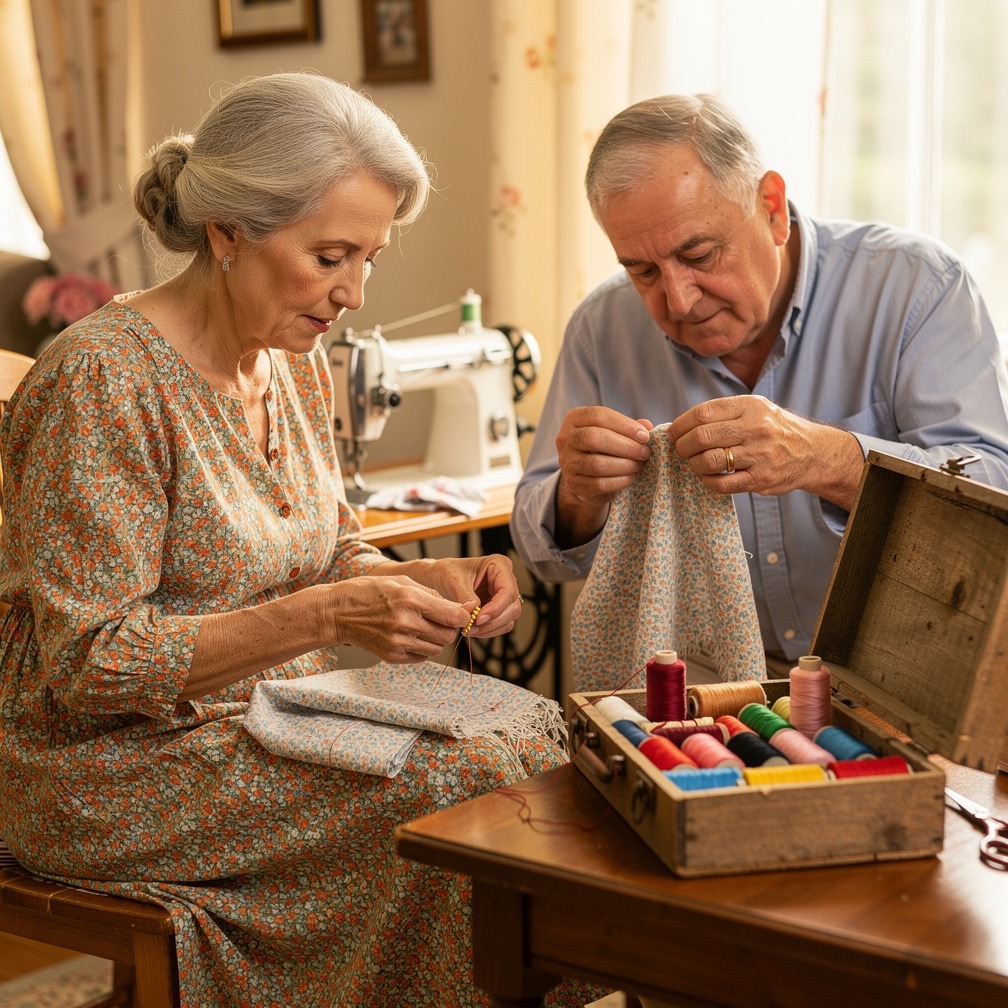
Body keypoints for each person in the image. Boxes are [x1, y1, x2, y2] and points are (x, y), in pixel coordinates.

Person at [0, 73, 597, 1008]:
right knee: (457, 788)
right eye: (329, 256)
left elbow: (326, 548)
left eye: (370, 258)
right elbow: (87, 664)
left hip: (262, 721)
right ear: (228, 232)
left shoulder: (293, 361)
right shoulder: (102, 382)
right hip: (102, 772)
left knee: (530, 738)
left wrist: (422, 583)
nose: (353, 292)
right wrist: (324, 613)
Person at [512, 92, 1008, 667]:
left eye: (698, 254)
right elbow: (539, 552)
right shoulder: (602, 329)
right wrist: (577, 497)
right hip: (712, 689)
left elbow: (993, 491)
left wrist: (827, 459)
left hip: (902, 678)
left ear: (772, 207)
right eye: (642, 271)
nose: (677, 298)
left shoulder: (918, 289)